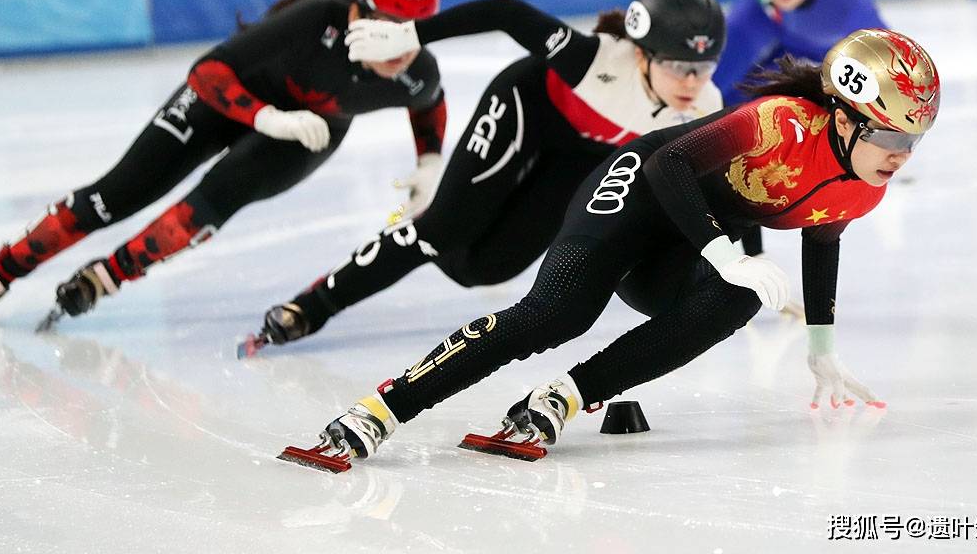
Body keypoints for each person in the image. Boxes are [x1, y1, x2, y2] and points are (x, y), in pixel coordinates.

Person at [279, 28, 940, 472]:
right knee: (558, 312)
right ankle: (381, 409)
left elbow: (823, 244)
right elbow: (670, 167)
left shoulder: (866, 188)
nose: (900, 157)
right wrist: (722, 249)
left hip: (684, 245)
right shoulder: (776, 125)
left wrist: (821, 350)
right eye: (892, 137)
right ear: (846, 116)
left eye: (914, 142)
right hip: (635, 193)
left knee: (735, 302)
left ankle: (560, 399)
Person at [0, 0, 449, 333]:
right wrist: (265, 116)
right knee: (119, 193)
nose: (403, 44)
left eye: (415, 29)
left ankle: (109, 276)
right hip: (231, 98)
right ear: (358, 11)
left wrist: (429, 162)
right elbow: (210, 71)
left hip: (309, 131)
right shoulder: (316, 21)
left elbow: (430, 103)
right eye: (392, 24)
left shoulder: (416, 71)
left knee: (214, 201)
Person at [243, 0, 727, 356]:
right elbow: (505, 12)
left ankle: (432, 229)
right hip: (528, 105)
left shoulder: (705, 104)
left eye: (703, 67)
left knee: (483, 269)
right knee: (443, 228)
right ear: (641, 55)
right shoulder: (594, 61)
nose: (690, 82)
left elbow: (721, 187)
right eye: (676, 65)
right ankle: (312, 306)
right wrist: (410, 33)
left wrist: (739, 263)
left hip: (584, 153)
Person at [675, 0, 887, 258]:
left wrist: (884, 140)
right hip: (761, 20)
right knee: (711, 88)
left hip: (823, 52)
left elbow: (886, 63)